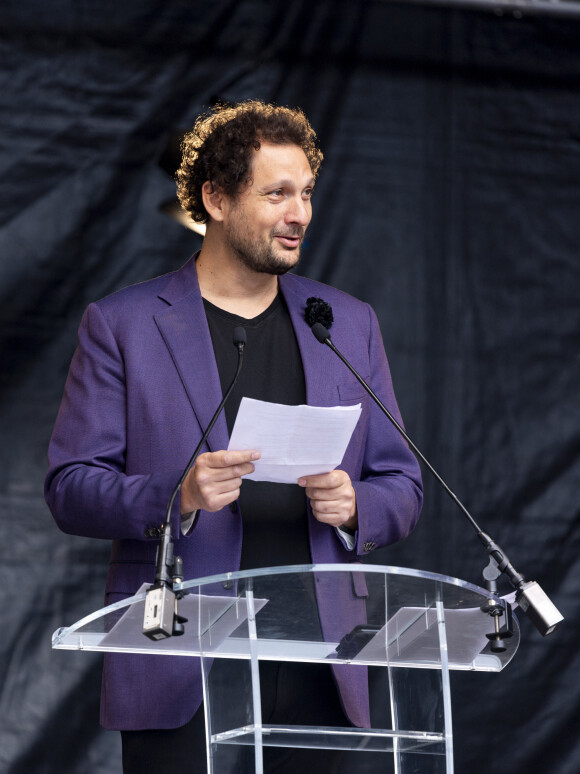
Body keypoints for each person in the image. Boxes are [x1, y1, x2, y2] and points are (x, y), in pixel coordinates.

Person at [45, 100, 422, 773]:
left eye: (306, 193)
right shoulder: (123, 324)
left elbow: (403, 483)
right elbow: (70, 487)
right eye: (277, 193)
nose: (299, 213)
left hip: (319, 659)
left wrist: (358, 505)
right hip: (182, 658)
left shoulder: (345, 322)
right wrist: (177, 495)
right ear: (215, 199)